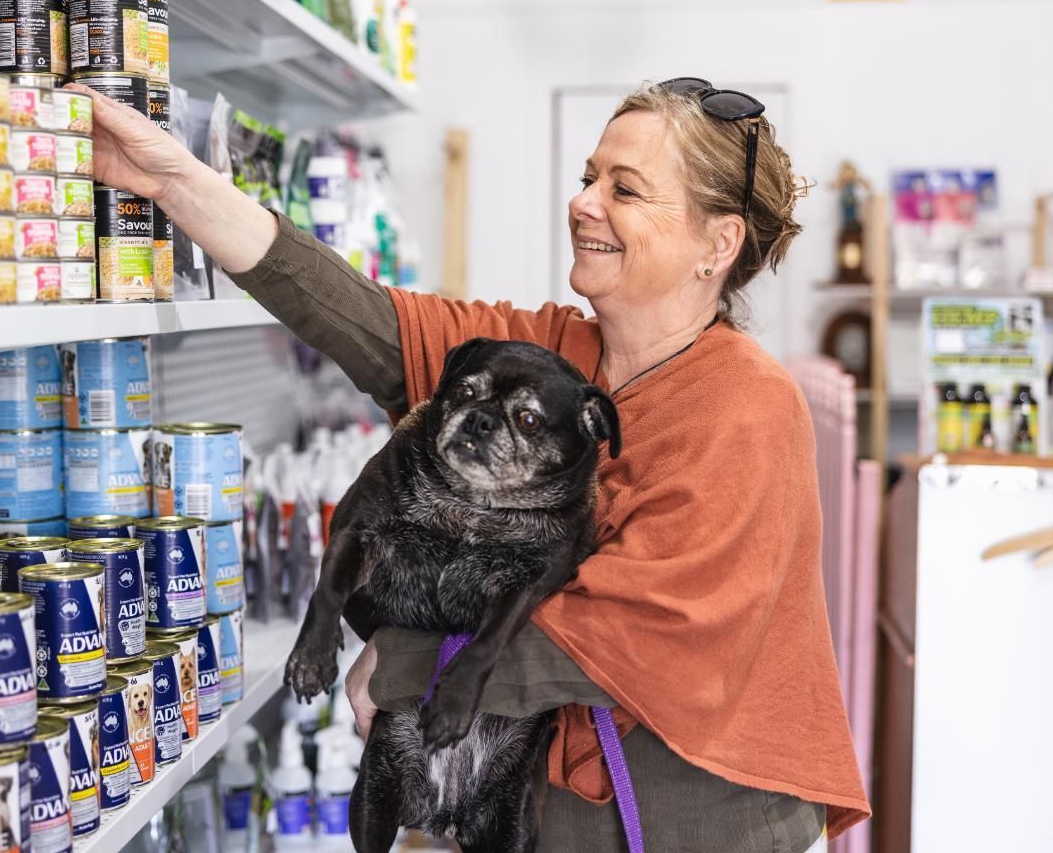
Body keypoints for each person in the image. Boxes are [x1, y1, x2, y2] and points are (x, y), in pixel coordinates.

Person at [74, 77, 870, 852]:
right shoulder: (561, 351)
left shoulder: (748, 406)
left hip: (696, 817)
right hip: (546, 810)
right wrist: (175, 180)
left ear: (717, 242)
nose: (583, 202)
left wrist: (403, 661)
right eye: (589, 177)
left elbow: (641, 630)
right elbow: (374, 324)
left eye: (624, 190)